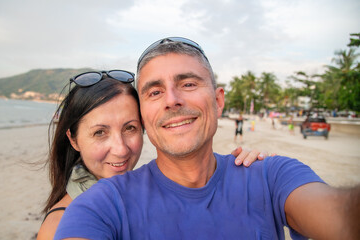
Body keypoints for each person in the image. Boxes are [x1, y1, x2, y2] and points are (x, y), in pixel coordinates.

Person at [55, 37, 359, 240]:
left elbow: (339, 216)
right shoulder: (101, 204)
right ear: (145, 115)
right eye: (155, 91)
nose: (172, 100)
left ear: (218, 100)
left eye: (188, 83)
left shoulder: (272, 176)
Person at [36, 70, 268, 240]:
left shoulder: (140, 193)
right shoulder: (61, 225)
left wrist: (241, 171)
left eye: (130, 128)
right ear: (73, 139)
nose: (121, 149)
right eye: (100, 132)